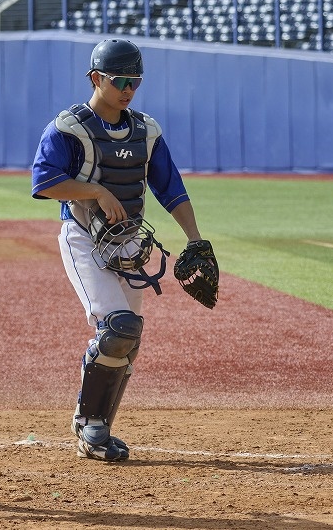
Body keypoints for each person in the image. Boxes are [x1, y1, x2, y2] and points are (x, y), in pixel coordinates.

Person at [31, 39, 218, 462]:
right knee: (118, 328)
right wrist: (96, 190)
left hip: (130, 242)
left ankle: (98, 427)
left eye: (136, 81)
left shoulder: (146, 132)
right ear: (96, 78)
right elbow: (44, 182)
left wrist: (194, 238)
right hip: (83, 237)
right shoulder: (68, 128)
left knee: (127, 339)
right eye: (120, 81)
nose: (129, 89)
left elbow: (171, 188)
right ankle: (89, 424)